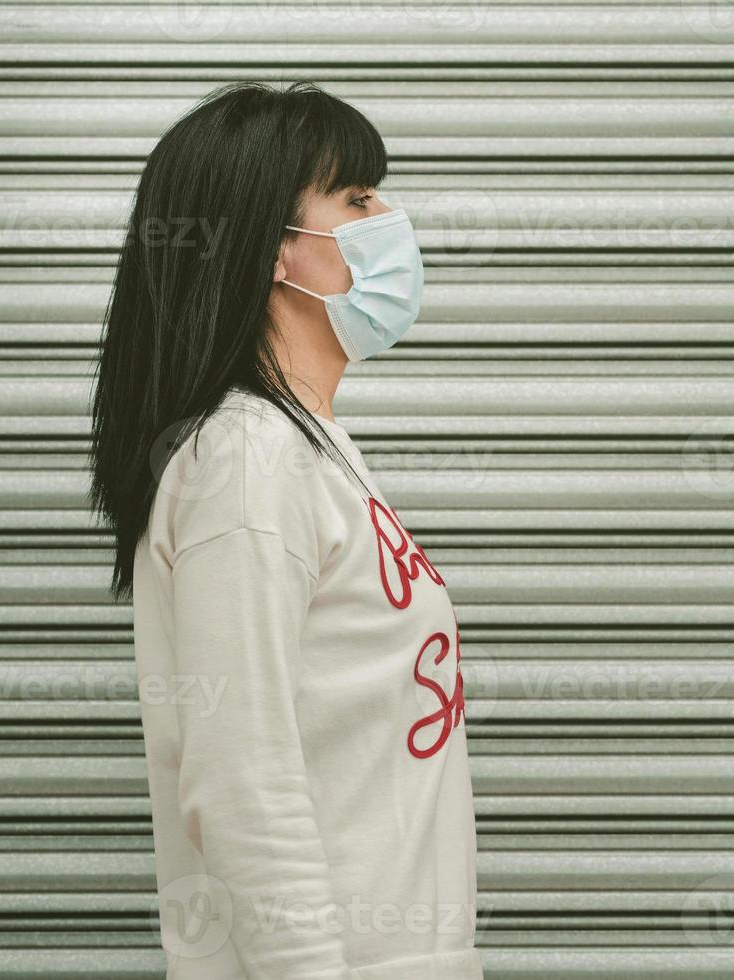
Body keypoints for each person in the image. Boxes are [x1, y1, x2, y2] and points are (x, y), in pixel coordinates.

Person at [87, 79, 482, 979]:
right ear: (276, 250)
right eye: (356, 198)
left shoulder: (309, 449)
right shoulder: (247, 461)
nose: (390, 215)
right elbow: (241, 782)